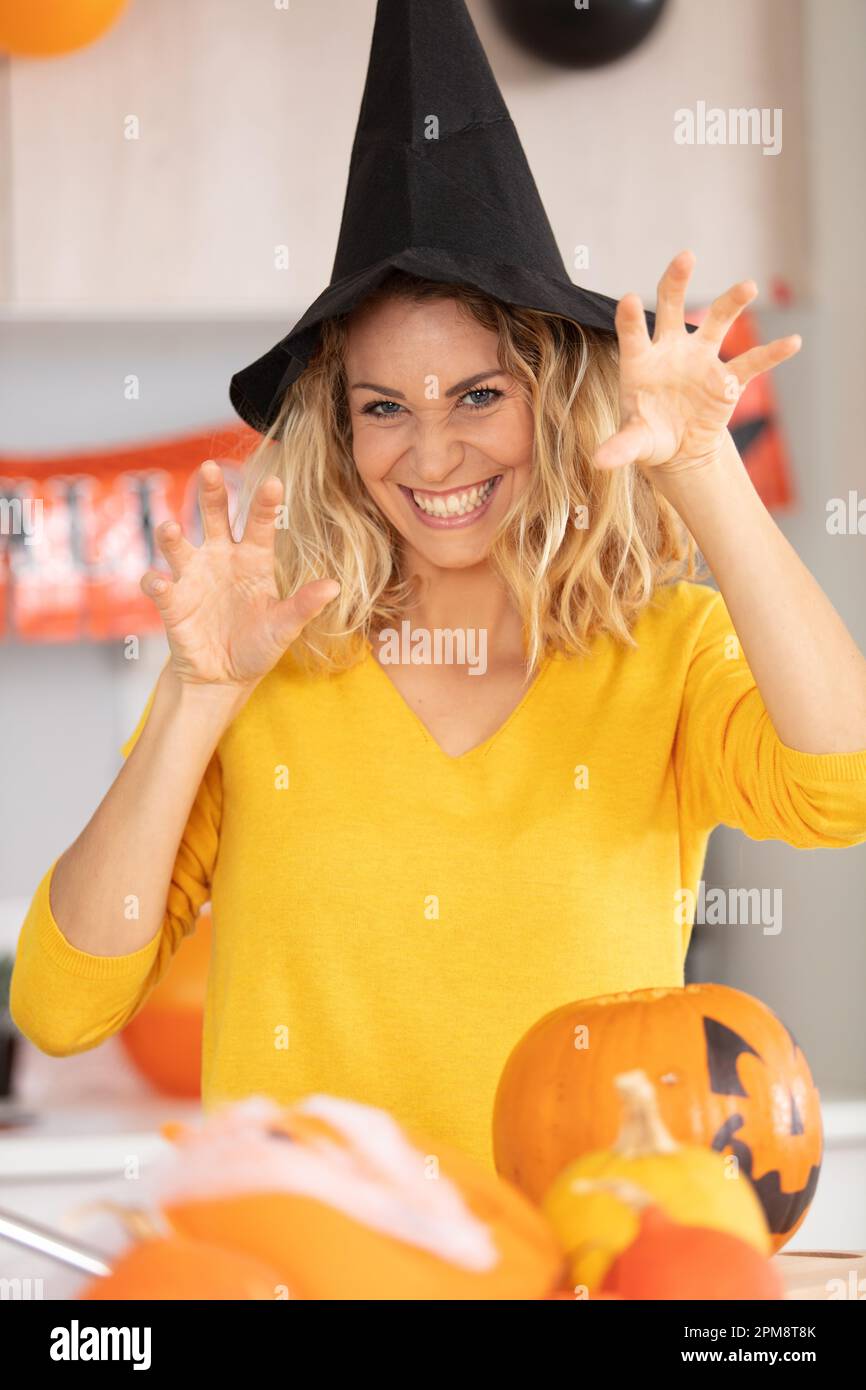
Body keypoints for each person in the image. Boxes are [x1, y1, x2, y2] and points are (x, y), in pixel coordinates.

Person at [10, 1, 866, 1169]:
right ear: (339, 430)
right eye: (382, 408)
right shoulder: (265, 661)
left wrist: (702, 471)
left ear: (553, 397)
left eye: (478, 395)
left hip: (577, 1272)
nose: (431, 454)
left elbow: (841, 785)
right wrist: (196, 697)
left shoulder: (663, 645)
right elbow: (64, 1011)